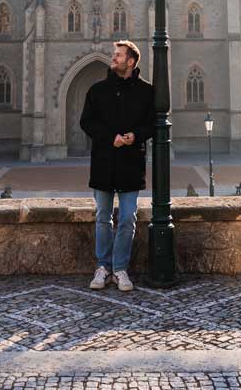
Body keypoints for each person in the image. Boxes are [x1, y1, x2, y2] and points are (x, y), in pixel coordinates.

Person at [80, 39, 154, 292]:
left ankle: (120, 268)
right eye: (114, 54)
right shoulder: (97, 90)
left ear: (131, 61)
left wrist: (136, 136)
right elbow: (86, 123)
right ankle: (103, 267)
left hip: (131, 163)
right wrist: (109, 137)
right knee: (102, 217)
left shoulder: (146, 91)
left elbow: (153, 124)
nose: (114, 58)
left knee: (127, 218)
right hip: (103, 161)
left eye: (118, 55)